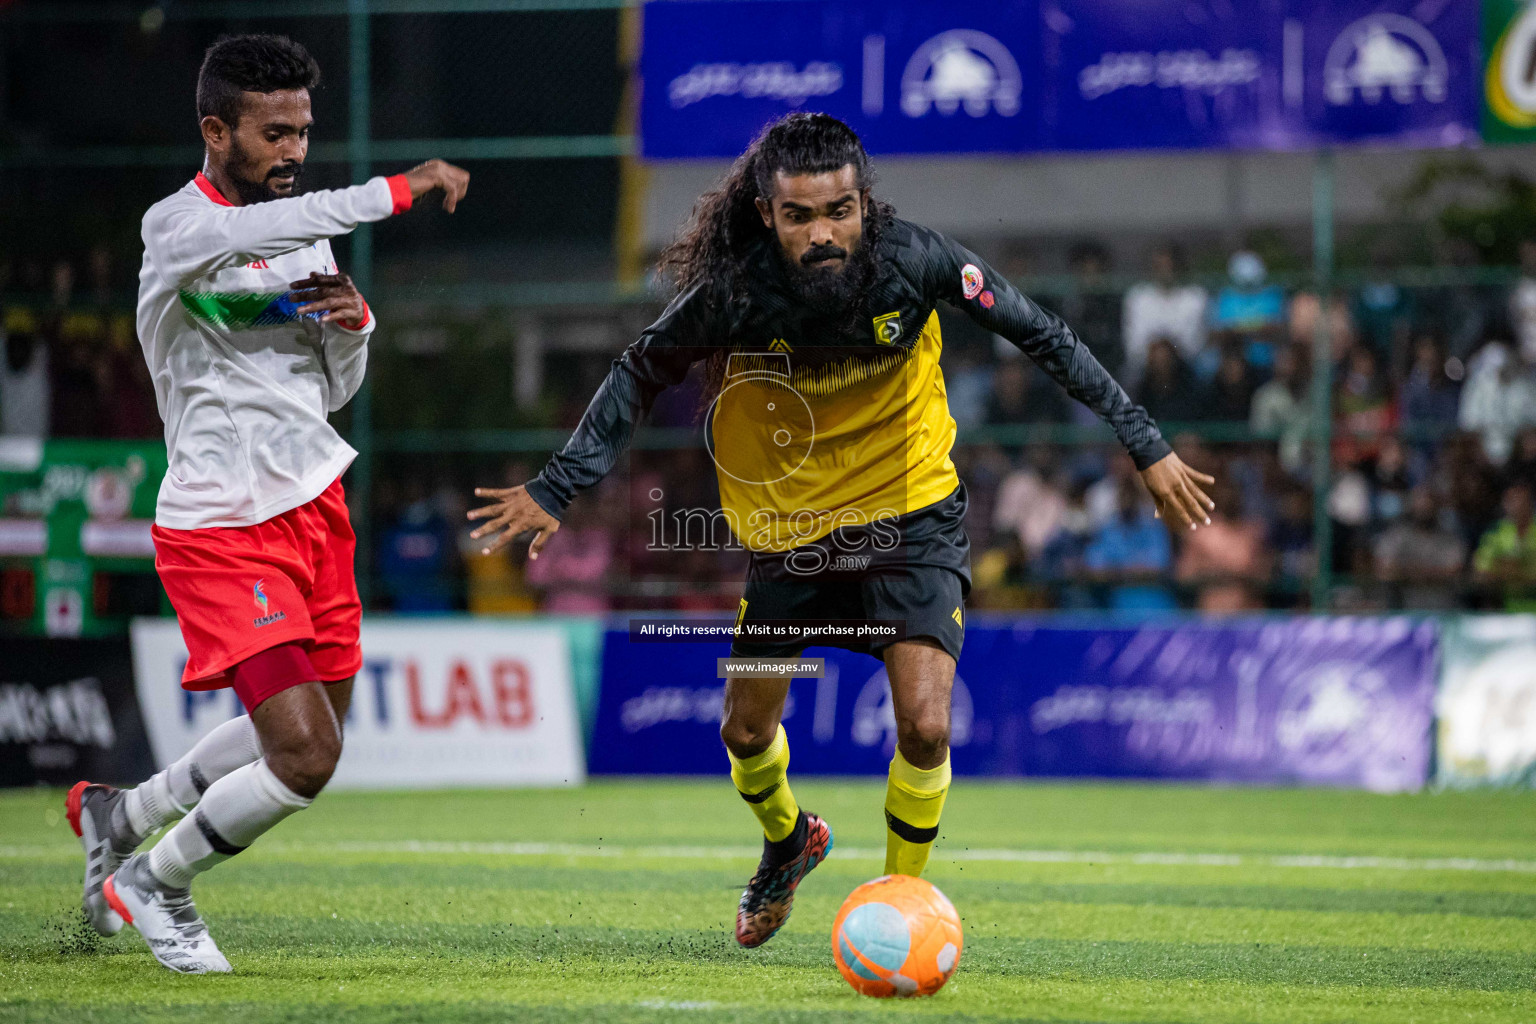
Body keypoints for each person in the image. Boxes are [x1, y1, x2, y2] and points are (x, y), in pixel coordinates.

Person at [464, 113, 1214, 948]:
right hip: (792, 540)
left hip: (912, 519)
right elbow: (640, 368)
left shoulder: (918, 260)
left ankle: (899, 903)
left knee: (927, 724)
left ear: (866, 203)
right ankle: (788, 843)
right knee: (745, 733)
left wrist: (1145, 445)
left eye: (840, 211)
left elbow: (1041, 332)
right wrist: (559, 485)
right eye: (800, 217)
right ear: (765, 215)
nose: (824, 233)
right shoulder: (737, 294)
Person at [64, 34, 469, 974]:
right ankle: (158, 880)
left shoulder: (306, 234)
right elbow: (250, 239)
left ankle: (122, 814)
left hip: (314, 509)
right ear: (216, 131)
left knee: (302, 727)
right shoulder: (178, 228)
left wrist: (355, 326)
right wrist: (396, 191)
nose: (294, 151)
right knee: (307, 757)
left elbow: (327, 391)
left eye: (304, 133)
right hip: (220, 527)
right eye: (275, 134)